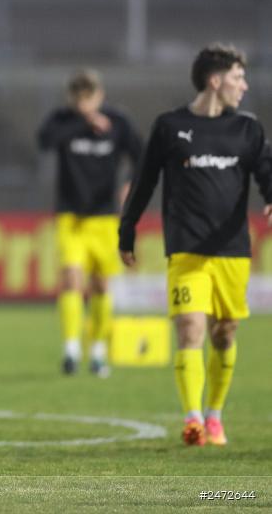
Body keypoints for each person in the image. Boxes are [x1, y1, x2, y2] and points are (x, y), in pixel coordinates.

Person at [119, 44, 272, 446]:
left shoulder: (247, 129)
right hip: (186, 248)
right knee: (190, 327)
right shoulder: (170, 127)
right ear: (215, 80)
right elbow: (146, 179)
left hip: (233, 249)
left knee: (225, 332)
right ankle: (192, 420)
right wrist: (127, 229)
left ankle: (215, 414)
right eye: (239, 77)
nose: (245, 85)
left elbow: (266, 169)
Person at [37, 70, 142, 377]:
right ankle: (71, 347)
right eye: (77, 100)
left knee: (100, 284)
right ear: (70, 99)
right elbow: (44, 142)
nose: (83, 105)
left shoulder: (118, 123)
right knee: (71, 278)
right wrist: (82, 122)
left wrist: (130, 186)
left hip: (105, 217)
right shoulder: (62, 121)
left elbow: (143, 156)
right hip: (71, 216)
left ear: (99, 96)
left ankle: (97, 350)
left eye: (88, 100)